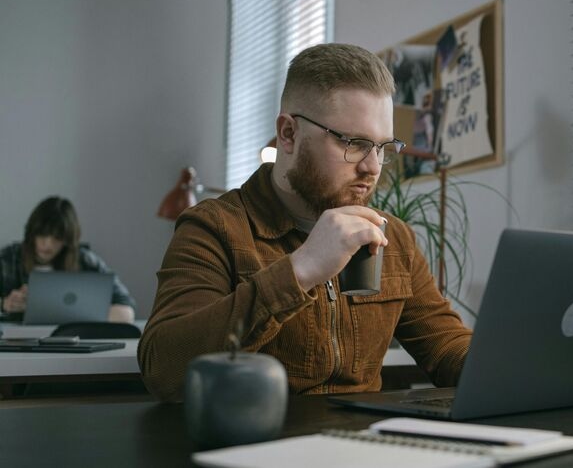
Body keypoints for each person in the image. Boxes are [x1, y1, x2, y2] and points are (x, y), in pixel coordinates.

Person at [138, 43, 472, 402]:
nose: (372, 167)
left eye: (382, 147)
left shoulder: (394, 238)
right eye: (354, 142)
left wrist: (518, 370)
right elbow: (164, 369)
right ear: (288, 134)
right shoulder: (214, 227)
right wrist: (300, 270)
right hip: (258, 444)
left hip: (360, 446)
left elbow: (446, 346)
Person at [0, 196, 136, 322]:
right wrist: (4, 303)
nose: (48, 244)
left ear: (67, 239)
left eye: (57, 237)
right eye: (42, 234)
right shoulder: (8, 258)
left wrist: (81, 313)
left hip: (74, 338)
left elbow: (127, 309)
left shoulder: (85, 260)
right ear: (32, 233)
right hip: (18, 340)